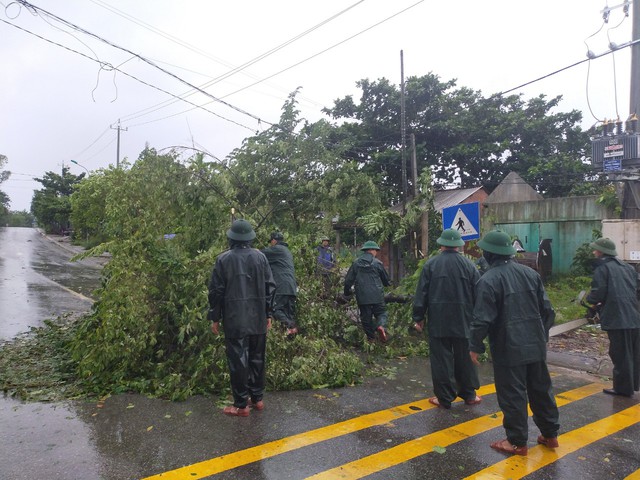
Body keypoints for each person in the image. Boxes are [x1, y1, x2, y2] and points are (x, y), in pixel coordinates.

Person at [470, 230, 559, 456]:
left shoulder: (488, 280)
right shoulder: (531, 274)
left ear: (489, 254)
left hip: (509, 348)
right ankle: (550, 435)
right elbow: (548, 311)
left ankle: (517, 442)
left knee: (513, 394)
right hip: (535, 345)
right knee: (541, 390)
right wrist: (542, 336)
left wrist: (474, 347)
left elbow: (482, 319)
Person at [208, 219, 276, 417]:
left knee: (238, 360)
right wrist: (268, 313)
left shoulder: (223, 260)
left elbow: (216, 292)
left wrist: (215, 317)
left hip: (234, 317)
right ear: (250, 238)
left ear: (231, 239)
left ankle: (240, 405)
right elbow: (270, 287)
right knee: (257, 358)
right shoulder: (261, 258)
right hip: (257, 318)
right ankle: (257, 399)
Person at [412, 228, 481, 409]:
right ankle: (469, 395)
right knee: (465, 357)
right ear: (459, 245)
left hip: (439, 320)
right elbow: (479, 295)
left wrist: (418, 317)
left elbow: (422, 294)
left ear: (442, 244)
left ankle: (444, 398)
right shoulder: (470, 266)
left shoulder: (431, 265)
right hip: (464, 320)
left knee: (441, 358)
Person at [586, 237, 640, 397]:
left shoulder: (602, 269)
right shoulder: (627, 267)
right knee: (634, 353)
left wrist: (591, 303)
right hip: (634, 316)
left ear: (601, 252)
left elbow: (598, 293)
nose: (594, 252)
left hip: (618, 318)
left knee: (620, 354)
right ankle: (633, 385)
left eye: (595, 249)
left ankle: (623, 389)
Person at [344, 240, 391, 343]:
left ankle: (371, 339)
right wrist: (387, 285)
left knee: (366, 318)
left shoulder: (356, 263)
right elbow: (386, 281)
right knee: (382, 313)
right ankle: (381, 326)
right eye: (376, 251)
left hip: (362, 296)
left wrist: (346, 293)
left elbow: (348, 281)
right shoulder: (377, 263)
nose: (376, 253)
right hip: (377, 295)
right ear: (371, 250)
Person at [262, 231, 299, 336]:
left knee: (275, 309)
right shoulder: (287, 251)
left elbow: (259, 254)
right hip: (291, 288)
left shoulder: (277, 249)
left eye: (271, 242)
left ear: (274, 241)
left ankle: (292, 327)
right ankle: (292, 339)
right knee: (288, 313)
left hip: (282, 287)